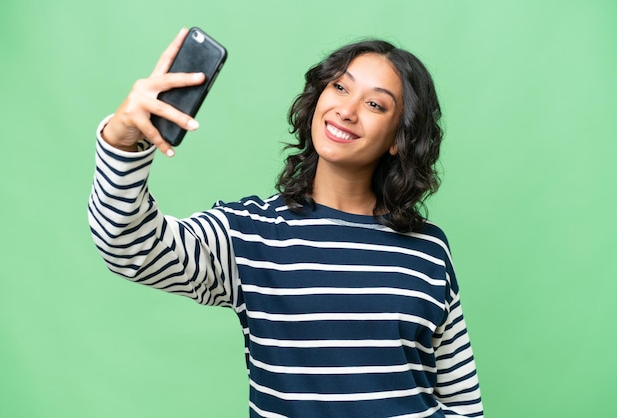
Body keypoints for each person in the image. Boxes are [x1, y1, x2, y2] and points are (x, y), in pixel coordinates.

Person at [89, 28, 484, 417]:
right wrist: (123, 141)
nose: (346, 110)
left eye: (375, 105)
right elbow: (128, 245)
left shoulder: (428, 248)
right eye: (340, 88)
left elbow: (463, 401)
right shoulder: (249, 234)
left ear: (398, 138)